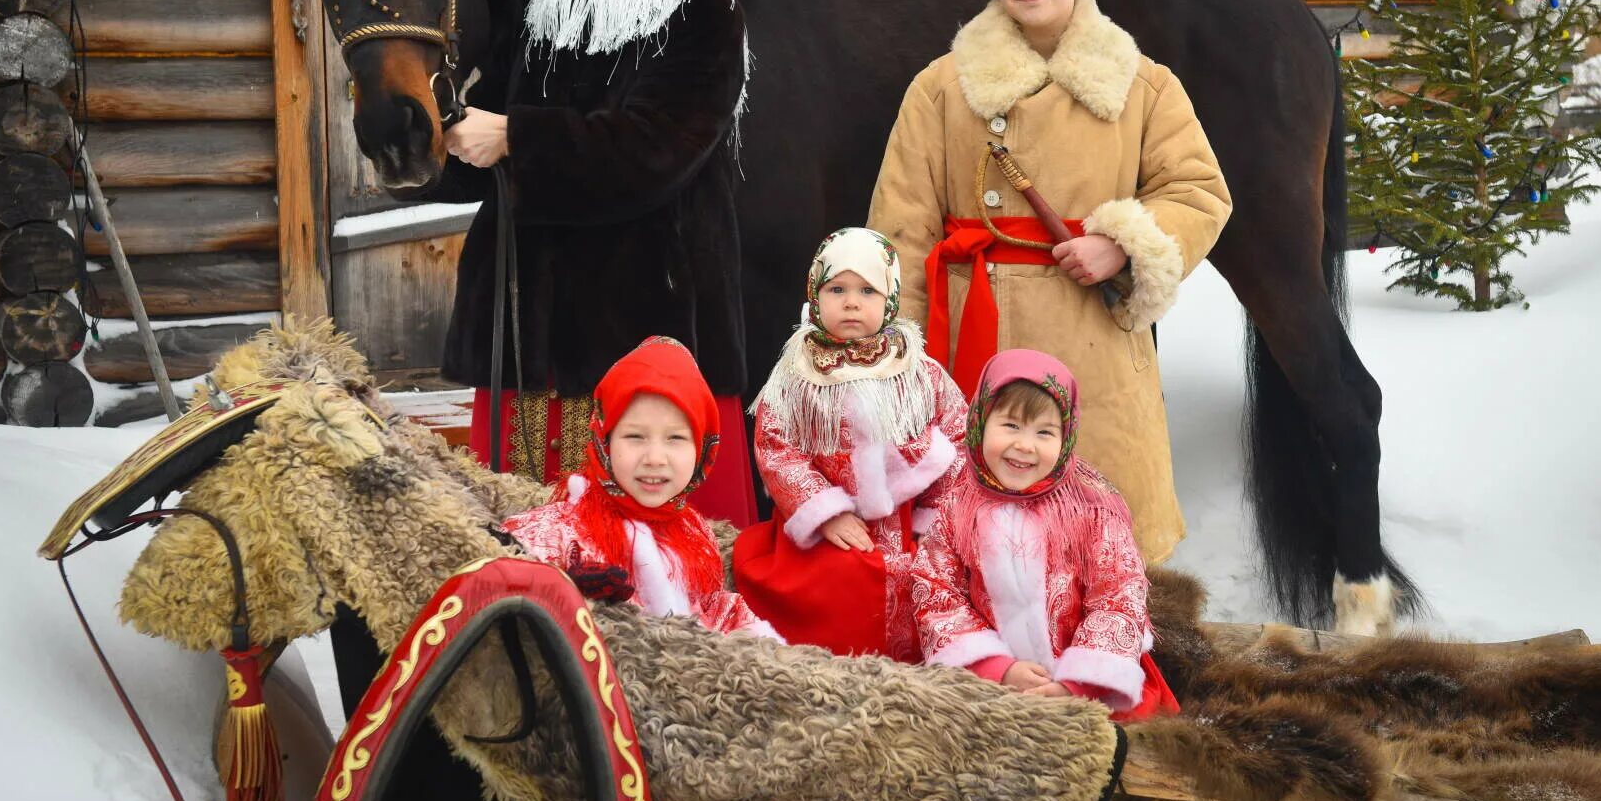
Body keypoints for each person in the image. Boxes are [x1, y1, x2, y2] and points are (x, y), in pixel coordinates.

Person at [867, 0, 1231, 563]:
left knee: (1100, 546)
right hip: (975, 340)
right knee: (978, 551)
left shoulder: (1143, 87)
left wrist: (1121, 244)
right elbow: (900, 229)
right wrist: (900, 364)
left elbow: (1197, 192)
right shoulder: (942, 89)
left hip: (1092, 338)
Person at [442, 0, 755, 526]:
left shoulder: (702, 13)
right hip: (537, 332)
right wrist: (440, 132)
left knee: (653, 547)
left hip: (647, 317)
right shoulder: (535, 16)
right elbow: (480, 154)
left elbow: (656, 151)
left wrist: (515, 135)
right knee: (531, 527)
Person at [732, 227, 967, 661]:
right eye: (836, 288)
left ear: (891, 299)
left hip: (908, 523)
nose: (852, 302)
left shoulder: (918, 370)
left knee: (930, 581)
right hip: (829, 530)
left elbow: (957, 434)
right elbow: (776, 448)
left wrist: (935, 517)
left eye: (868, 290)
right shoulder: (796, 374)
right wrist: (826, 513)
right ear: (815, 295)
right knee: (835, 585)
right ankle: (837, 673)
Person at [913, 349, 1177, 721]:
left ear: (1066, 437)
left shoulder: (1090, 506)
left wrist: (1077, 683)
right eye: (1010, 426)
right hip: (989, 682)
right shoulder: (958, 503)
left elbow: (1119, 593)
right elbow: (936, 590)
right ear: (979, 423)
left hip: (1084, 684)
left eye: (1044, 432)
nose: (1025, 445)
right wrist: (995, 667)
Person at [502, 337, 777, 638]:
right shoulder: (564, 528)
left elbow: (714, 608)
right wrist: (564, 588)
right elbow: (509, 565)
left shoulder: (696, 536)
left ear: (702, 451)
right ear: (604, 440)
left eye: (675, 439)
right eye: (635, 437)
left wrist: (763, 643)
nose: (655, 459)